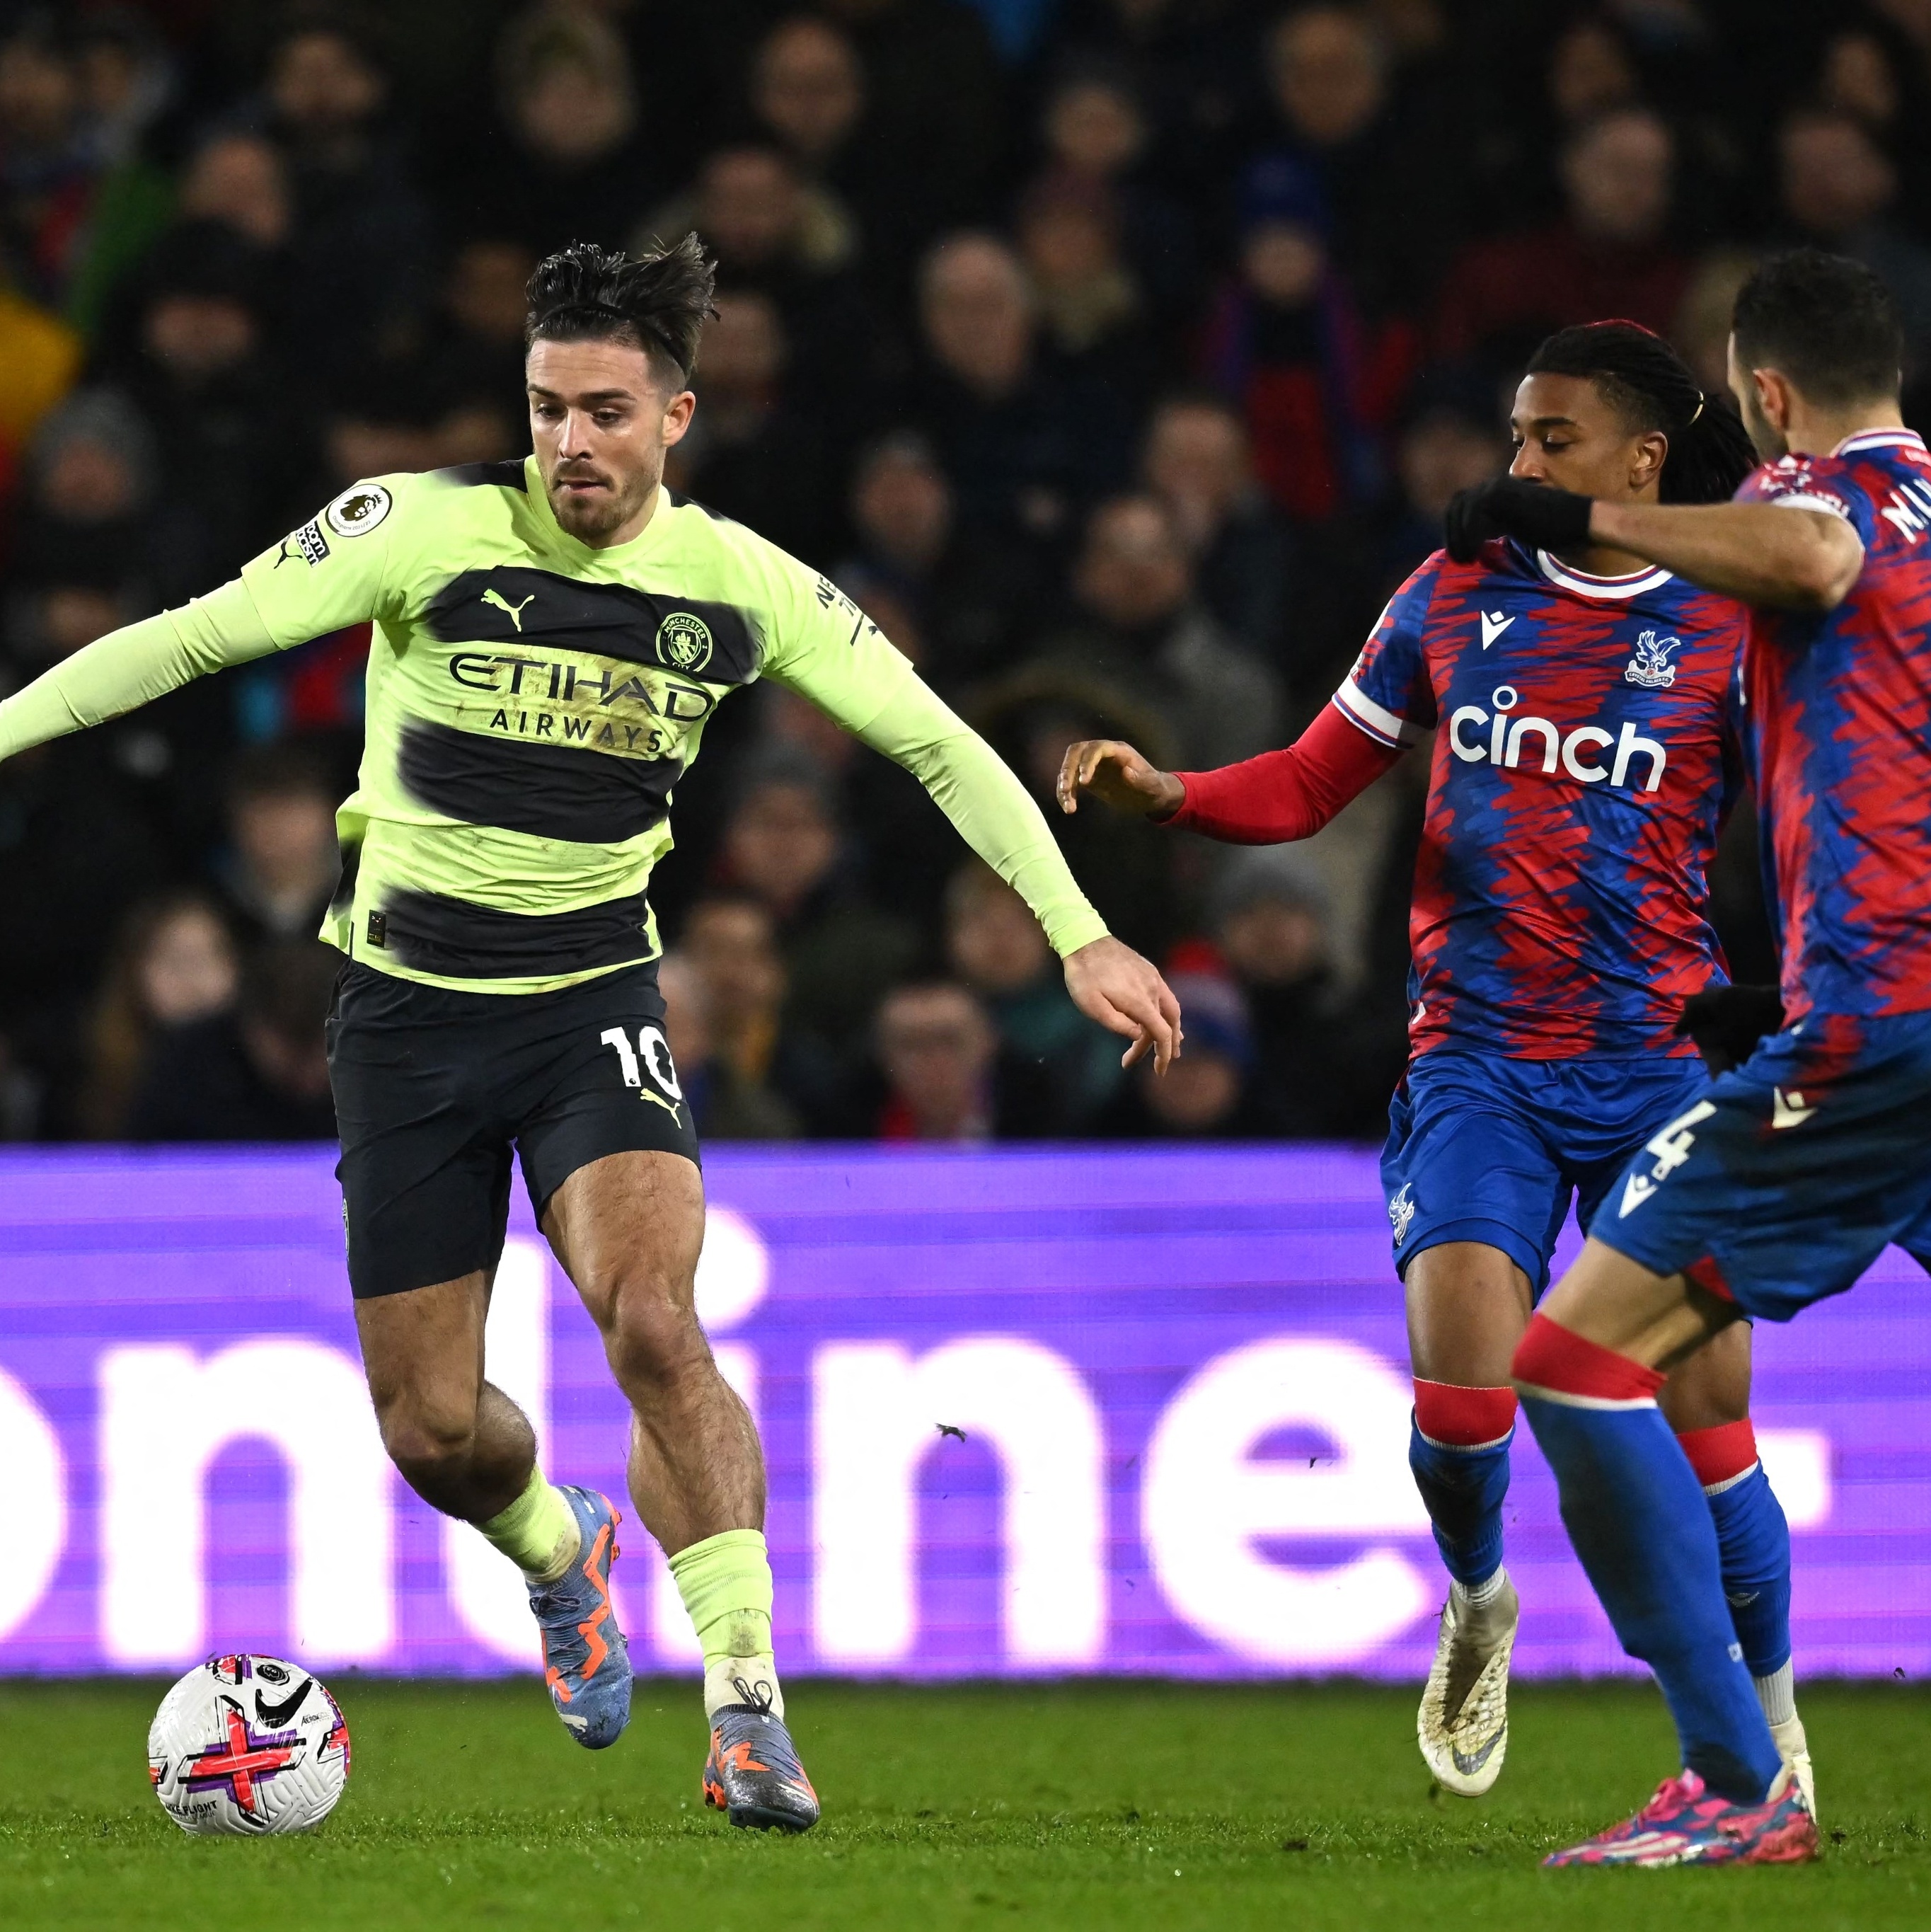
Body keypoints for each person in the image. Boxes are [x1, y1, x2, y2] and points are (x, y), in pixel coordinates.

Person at [0, 237, 1179, 1832]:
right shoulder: (422, 527)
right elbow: (195, 636)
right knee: (432, 1433)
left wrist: (1079, 930)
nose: (572, 443)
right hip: (407, 1016)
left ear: (677, 417)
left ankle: (749, 1706)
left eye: (607, 412)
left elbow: (935, 743)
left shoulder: (742, 586)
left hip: (588, 1008)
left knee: (653, 1323)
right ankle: (565, 1556)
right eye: (550, 407)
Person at [1057, 321, 1811, 1814]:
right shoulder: (1459, 590)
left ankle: (1772, 1732)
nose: (1519, 465)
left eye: (1555, 441)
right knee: (1464, 1406)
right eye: (1518, 437)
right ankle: (1480, 1607)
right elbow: (1309, 781)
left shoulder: (1734, 618)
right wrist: (1171, 795)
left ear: (1644, 463)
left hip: (1663, 1065)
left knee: (1712, 1422)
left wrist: (1784, 998)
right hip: (1480, 1062)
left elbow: (1816, 823)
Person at [1443, 251, 1931, 1866]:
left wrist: (1575, 523)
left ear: (1767, 398)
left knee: (1575, 1364)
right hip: (1862, 1006)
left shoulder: (1825, 498)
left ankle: (1739, 1784)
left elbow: (1802, 550)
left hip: (1882, 1039)